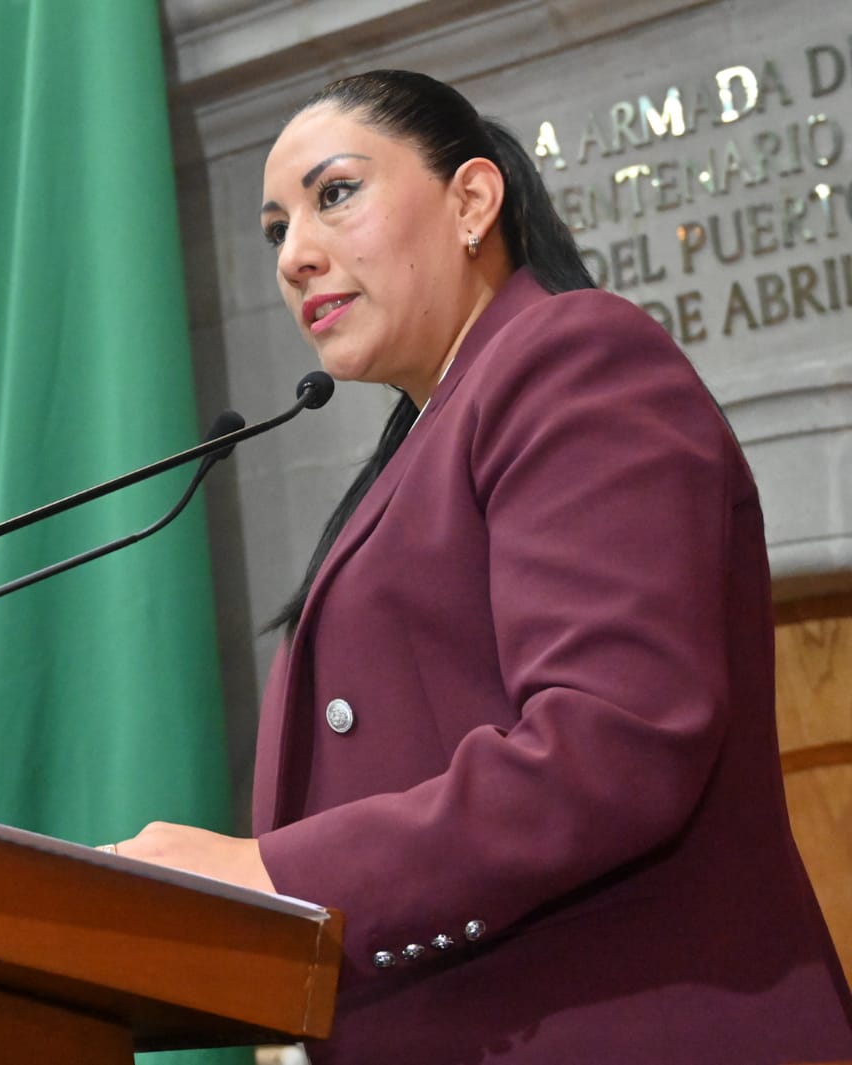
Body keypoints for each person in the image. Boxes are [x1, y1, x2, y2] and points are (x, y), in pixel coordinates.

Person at [110, 69, 852, 1063]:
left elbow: (608, 747)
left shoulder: (572, 357)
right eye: (275, 230)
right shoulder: (430, 435)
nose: (294, 255)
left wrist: (273, 875)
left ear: (471, 201)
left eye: (335, 194)